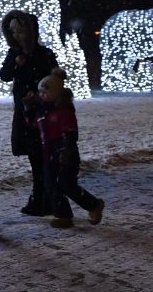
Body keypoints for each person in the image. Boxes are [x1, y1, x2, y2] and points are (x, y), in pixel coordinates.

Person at [0, 9, 59, 217]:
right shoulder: (14, 54)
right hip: (25, 113)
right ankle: (41, 196)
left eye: (20, 30)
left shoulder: (45, 54)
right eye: (12, 32)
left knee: (45, 156)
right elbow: (4, 75)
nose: (16, 35)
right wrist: (15, 63)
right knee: (35, 156)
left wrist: (38, 94)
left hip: (43, 113)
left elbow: (53, 81)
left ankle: (46, 197)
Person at [36, 69, 104, 227]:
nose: (42, 95)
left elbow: (70, 133)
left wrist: (66, 150)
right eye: (41, 92)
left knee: (67, 185)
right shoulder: (44, 110)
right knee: (51, 185)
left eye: (46, 92)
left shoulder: (63, 111)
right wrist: (27, 109)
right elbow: (36, 125)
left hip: (65, 154)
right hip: (49, 154)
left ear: (57, 93)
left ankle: (93, 205)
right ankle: (63, 215)